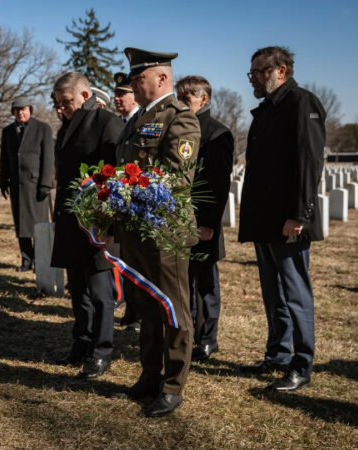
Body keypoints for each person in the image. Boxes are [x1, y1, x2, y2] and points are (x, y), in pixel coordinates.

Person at [113, 48, 200, 417]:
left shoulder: (180, 118)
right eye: (132, 79)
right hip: (136, 228)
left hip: (165, 230)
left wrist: (128, 190)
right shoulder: (139, 119)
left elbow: (177, 177)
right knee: (146, 305)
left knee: (173, 308)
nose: (133, 84)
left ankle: (172, 385)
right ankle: (150, 375)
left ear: (162, 79)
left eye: (138, 79)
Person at [238, 46, 325, 392]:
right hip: (264, 218)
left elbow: (308, 162)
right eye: (252, 73)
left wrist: (298, 214)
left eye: (260, 72)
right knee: (273, 293)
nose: (254, 79)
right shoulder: (267, 110)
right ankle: (278, 354)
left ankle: (301, 364)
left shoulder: (301, 103)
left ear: (282, 70)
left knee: (294, 292)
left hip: (288, 220)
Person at [51, 72, 124, 379]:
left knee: (100, 292)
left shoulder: (108, 123)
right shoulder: (67, 125)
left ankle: (102, 349)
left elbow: (114, 177)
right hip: (70, 222)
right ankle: (81, 342)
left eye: (65, 101)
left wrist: (106, 223)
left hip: (95, 224)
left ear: (84, 95)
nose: (60, 108)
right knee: (77, 288)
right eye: (57, 102)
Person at [176, 75, 234, 361]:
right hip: (178, 218)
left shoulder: (216, 132)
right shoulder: (178, 129)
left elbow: (219, 182)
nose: (182, 104)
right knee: (184, 281)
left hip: (203, 221)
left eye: (187, 99)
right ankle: (190, 334)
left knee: (206, 283)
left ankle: (209, 338)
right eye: (180, 98)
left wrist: (209, 223)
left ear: (204, 99)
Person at [0, 98, 54, 272]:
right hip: (17, 185)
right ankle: (26, 259)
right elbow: (5, 158)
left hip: (36, 185)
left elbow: (48, 158)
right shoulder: (7, 131)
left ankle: (40, 260)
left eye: (23, 109)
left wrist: (45, 183)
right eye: (17, 110)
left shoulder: (42, 128)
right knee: (21, 225)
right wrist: (3, 181)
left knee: (38, 225)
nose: (20, 113)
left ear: (30, 109)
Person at [112, 71, 142, 329]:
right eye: (116, 94)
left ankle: (140, 313)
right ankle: (132, 311)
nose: (117, 98)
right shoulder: (121, 124)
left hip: (140, 204)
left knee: (139, 264)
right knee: (127, 262)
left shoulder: (143, 122)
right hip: (123, 205)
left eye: (123, 93)